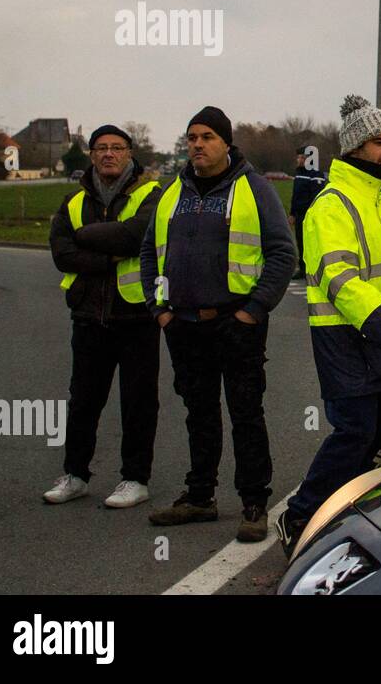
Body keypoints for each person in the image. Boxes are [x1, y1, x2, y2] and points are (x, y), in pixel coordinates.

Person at [276, 96, 381, 557]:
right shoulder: (333, 203)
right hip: (348, 336)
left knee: (379, 433)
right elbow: (335, 273)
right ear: (353, 148)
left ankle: (346, 511)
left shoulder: (378, 197)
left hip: (380, 333)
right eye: (378, 143)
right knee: (354, 432)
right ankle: (301, 514)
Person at [140, 106, 295, 542]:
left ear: (226, 142)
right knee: (198, 412)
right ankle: (199, 496)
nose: (198, 145)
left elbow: (284, 253)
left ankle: (253, 502)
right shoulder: (172, 191)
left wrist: (253, 309)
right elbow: (150, 252)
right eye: (191, 138)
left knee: (246, 411)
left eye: (207, 137)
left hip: (236, 322)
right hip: (184, 323)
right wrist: (161, 310)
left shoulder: (254, 189)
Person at [44, 125, 163, 508]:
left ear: (130, 153)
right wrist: (110, 255)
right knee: (83, 400)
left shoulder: (151, 194)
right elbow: (63, 254)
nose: (109, 154)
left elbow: (135, 237)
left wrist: (86, 239)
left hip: (136, 317)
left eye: (117, 148)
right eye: (101, 148)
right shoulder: (73, 201)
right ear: (92, 154)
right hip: (88, 315)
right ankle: (75, 475)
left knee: (138, 401)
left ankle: (135, 479)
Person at [289, 145, 326, 279]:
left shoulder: (316, 174)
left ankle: (314, 269)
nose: (299, 160)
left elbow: (316, 196)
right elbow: (295, 195)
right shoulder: (299, 174)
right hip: (299, 215)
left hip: (309, 215)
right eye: (298, 157)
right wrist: (292, 213)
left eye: (302, 157)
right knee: (301, 242)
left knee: (312, 243)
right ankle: (303, 269)